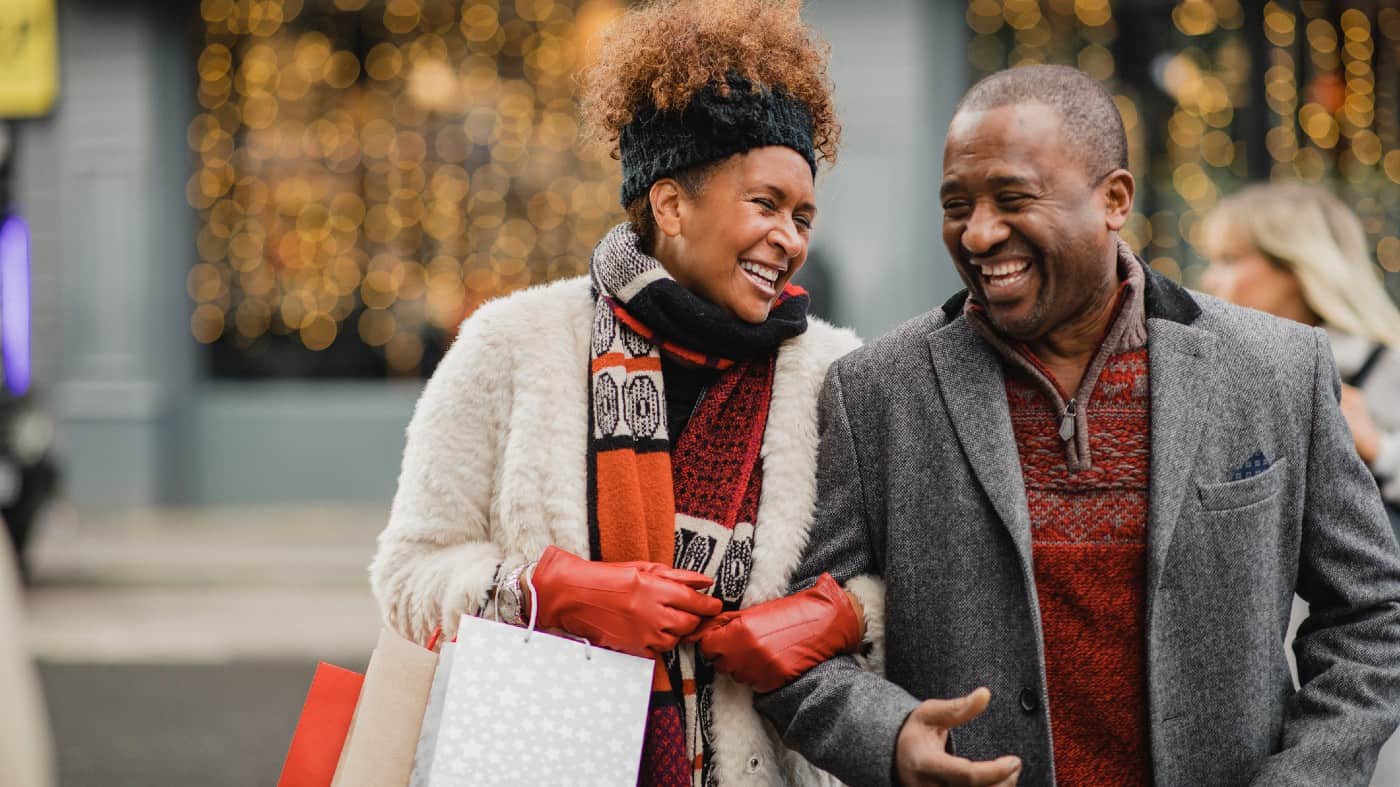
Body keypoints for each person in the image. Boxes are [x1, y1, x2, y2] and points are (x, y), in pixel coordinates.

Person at [754, 65, 1400, 787]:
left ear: (1114, 199)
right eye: (957, 204)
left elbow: (1375, 611)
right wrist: (890, 735)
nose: (980, 232)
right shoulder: (875, 390)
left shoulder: (1277, 368)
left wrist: (1306, 775)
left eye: (1012, 198)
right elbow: (795, 637)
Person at [370, 2, 883, 784]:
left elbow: (905, 577)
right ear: (672, 206)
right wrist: (555, 591)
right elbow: (408, 575)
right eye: (766, 204)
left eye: (803, 214)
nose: (791, 237)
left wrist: (840, 615)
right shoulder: (513, 344)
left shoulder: (834, 373)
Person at [1200, 183, 1400, 532]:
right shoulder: (1222, 369)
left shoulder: (1378, 363)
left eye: (1229, 259)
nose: (1210, 279)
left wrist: (1378, 448)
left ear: (1295, 265)